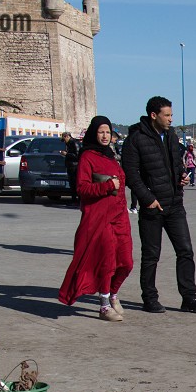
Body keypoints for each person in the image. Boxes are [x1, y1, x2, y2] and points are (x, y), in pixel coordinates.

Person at [121, 96, 196, 314]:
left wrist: (181, 176)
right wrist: (147, 198)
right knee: (151, 255)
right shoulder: (136, 138)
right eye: (167, 115)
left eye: (171, 115)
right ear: (154, 115)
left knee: (185, 251)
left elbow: (175, 164)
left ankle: (189, 297)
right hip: (152, 207)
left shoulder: (170, 136)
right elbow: (130, 174)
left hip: (175, 205)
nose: (171, 119)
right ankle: (149, 297)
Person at [58, 116, 133, 322]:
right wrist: (108, 186)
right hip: (99, 218)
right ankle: (104, 304)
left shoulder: (111, 156)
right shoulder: (87, 157)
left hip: (120, 218)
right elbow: (81, 188)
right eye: (101, 132)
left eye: (108, 132)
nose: (105, 136)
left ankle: (114, 293)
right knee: (107, 263)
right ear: (93, 133)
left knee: (126, 263)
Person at [60, 130, 80, 204]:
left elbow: (77, 156)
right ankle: (73, 199)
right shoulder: (68, 144)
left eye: (64, 139)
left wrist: (66, 154)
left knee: (75, 183)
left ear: (67, 136)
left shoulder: (74, 143)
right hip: (70, 166)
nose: (64, 141)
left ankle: (77, 200)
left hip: (75, 166)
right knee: (72, 184)